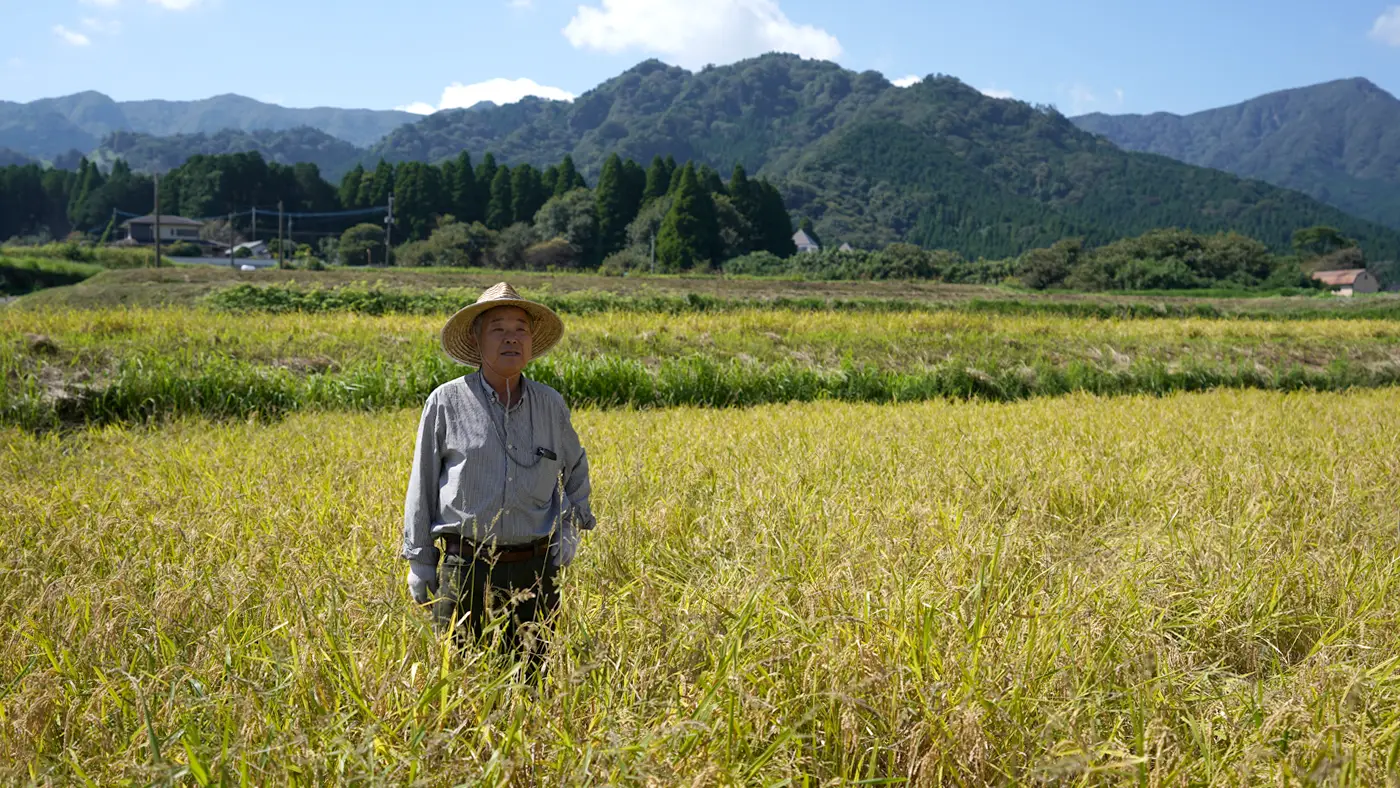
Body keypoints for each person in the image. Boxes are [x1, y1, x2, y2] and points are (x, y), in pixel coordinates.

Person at [401, 282, 595, 666]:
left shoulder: (550, 405)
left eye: (520, 328)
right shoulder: (446, 402)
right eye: (499, 329)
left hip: (535, 570)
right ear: (477, 339)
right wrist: (420, 562)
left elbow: (575, 471)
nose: (512, 338)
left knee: (531, 683)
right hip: (465, 569)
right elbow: (421, 485)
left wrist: (569, 528)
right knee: (461, 684)